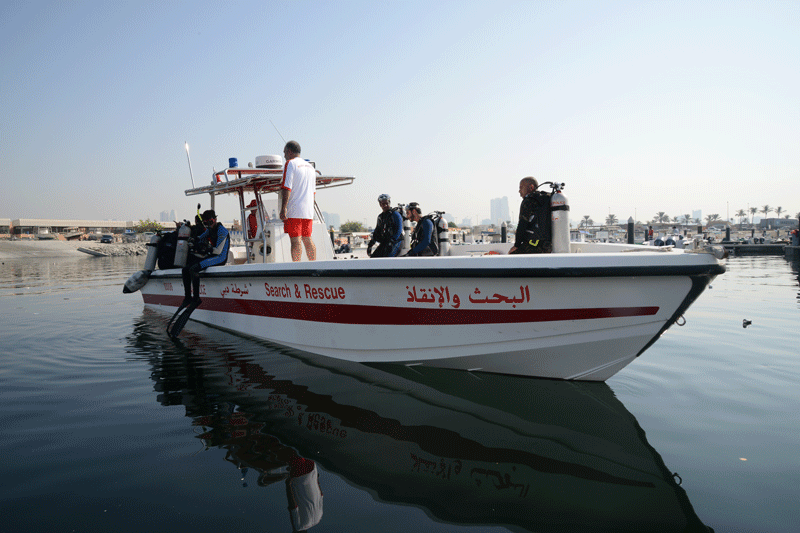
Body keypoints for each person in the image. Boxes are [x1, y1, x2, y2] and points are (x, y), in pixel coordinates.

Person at [181, 209, 230, 305]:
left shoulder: (222, 231)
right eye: (206, 223)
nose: (208, 225)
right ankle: (187, 297)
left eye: (210, 222)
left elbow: (218, 251)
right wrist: (194, 241)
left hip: (220, 258)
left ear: (215, 220)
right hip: (212, 255)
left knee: (194, 269)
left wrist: (205, 248)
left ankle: (196, 298)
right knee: (185, 269)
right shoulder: (210, 229)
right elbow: (200, 238)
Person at [279, 141, 317, 262]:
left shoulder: (290, 164)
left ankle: (297, 265)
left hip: (295, 209)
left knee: (295, 240)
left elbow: (287, 187)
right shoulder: (311, 167)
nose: (284, 155)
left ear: (290, 151)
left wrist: (283, 208)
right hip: (308, 211)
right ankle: (314, 263)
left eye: (284, 152)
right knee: (307, 238)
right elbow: (313, 192)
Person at [509, 177, 552, 254]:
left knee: (511, 256)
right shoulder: (547, 198)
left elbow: (522, 224)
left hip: (534, 246)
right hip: (548, 246)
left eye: (521, 188)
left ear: (531, 187)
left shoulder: (529, 201)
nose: (519, 191)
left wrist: (516, 245)